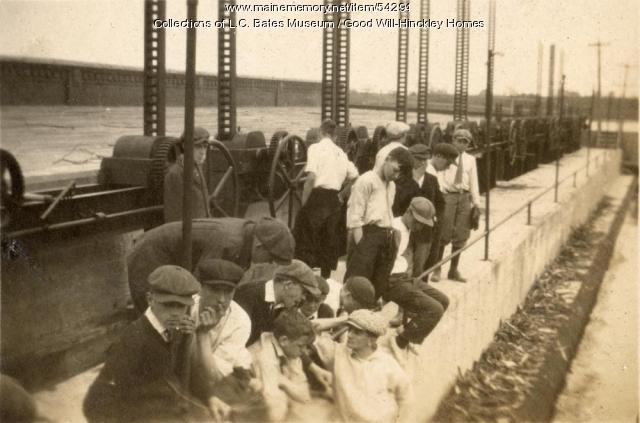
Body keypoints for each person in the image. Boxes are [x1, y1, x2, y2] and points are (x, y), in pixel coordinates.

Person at [84, 265, 229, 422]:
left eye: (180, 306)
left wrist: (209, 397)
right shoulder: (132, 339)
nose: (174, 312)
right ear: (150, 299)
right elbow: (97, 402)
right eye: (167, 305)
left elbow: (186, 371)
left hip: (169, 409)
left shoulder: (179, 329)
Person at [127, 216, 294, 311]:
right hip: (149, 252)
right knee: (153, 310)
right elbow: (201, 281)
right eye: (270, 258)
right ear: (260, 246)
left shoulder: (248, 234)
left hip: (169, 253)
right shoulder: (229, 241)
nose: (269, 263)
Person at [313, 309, 412, 423]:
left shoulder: (387, 363)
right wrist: (347, 319)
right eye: (349, 329)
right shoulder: (337, 354)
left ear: (371, 339)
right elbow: (310, 327)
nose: (349, 335)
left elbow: (406, 398)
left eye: (357, 332)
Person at [345, 147, 413, 299]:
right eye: (395, 170)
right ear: (388, 159)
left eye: (399, 174)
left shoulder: (391, 186)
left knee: (378, 284)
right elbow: (355, 217)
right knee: (357, 281)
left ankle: (369, 313)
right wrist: (361, 247)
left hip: (385, 237)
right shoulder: (366, 180)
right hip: (367, 235)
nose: (396, 176)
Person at [294, 119, 359, 278]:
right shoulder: (341, 153)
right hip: (334, 200)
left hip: (317, 197)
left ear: (320, 133)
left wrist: (304, 203)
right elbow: (356, 177)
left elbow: (311, 178)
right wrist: (342, 195)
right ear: (334, 136)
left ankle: (304, 276)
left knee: (306, 237)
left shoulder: (315, 148)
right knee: (329, 239)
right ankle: (325, 278)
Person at [386, 197, 449, 349]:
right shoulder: (393, 228)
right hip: (391, 281)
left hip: (404, 278)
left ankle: (409, 334)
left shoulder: (407, 229)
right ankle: (401, 341)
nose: (419, 227)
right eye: (417, 222)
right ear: (408, 212)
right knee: (435, 309)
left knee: (443, 300)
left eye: (423, 224)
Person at [190, 259, 252, 395]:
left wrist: (203, 334)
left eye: (229, 291)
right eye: (215, 290)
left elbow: (212, 377)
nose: (222, 300)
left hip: (220, 377)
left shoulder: (240, 321)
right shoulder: (187, 307)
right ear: (200, 289)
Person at [234, 259, 320, 346]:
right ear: (288, 285)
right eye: (304, 292)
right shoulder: (247, 296)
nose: (303, 298)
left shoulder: (285, 305)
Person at [432, 129, 481, 283]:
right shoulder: (446, 157)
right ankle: (437, 268)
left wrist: (477, 203)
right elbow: (438, 176)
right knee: (443, 232)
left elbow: (474, 181)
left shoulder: (470, 160)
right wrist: (440, 196)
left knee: (461, 233)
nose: (461, 144)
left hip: (464, 197)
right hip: (448, 196)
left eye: (465, 142)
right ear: (453, 140)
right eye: (458, 140)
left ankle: (453, 269)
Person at [249, 310, 315, 421]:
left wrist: (283, 381)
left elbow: (305, 396)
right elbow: (274, 410)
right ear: (284, 340)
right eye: (301, 346)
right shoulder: (265, 355)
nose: (303, 351)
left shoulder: (291, 350)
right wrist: (289, 387)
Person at [423, 143, 460, 278]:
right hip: (426, 223)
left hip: (432, 222)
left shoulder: (434, 172)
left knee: (429, 259)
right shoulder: (428, 173)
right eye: (448, 162)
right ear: (438, 156)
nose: (449, 166)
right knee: (424, 260)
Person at [164, 126, 211, 223]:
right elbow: (174, 217)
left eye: (205, 147)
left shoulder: (198, 168)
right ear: (185, 146)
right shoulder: (175, 174)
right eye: (198, 147)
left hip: (203, 228)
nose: (202, 152)